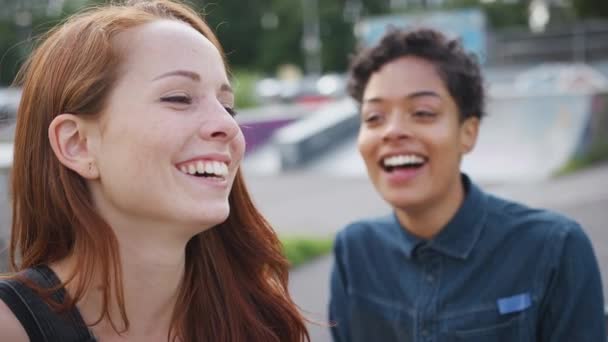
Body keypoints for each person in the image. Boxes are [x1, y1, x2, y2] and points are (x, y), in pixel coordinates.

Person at [0, 1, 310, 341]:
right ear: (78, 144)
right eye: (179, 98)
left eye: (227, 107)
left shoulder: (262, 321)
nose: (227, 126)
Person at [329, 27, 605, 341]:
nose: (392, 131)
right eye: (374, 117)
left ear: (468, 132)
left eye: (422, 112)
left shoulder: (554, 247)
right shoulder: (354, 251)